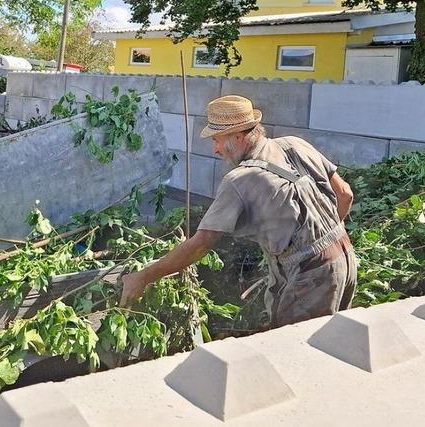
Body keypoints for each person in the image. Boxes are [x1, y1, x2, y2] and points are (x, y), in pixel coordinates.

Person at [120, 95, 357, 328]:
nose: (215, 149)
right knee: (329, 343)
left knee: (294, 351)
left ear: (238, 136)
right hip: (346, 259)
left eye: (218, 140)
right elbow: (345, 194)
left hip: (310, 275)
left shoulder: (240, 179)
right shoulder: (296, 144)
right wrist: (327, 240)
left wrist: (144, 277)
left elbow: (201, 244)